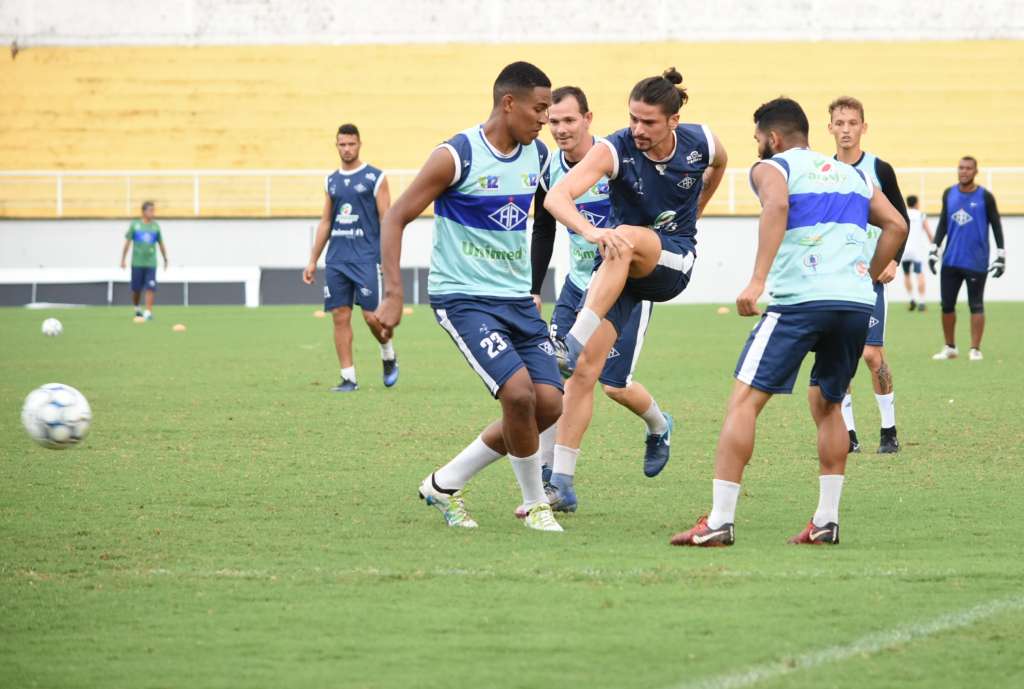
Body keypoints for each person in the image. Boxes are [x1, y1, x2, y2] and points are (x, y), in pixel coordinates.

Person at [670, 97, 907, 547]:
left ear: (773, 138)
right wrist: (867, 273)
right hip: (855, 303)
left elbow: (776, 206)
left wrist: (756, 280)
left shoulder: (772, 168)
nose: (758, 146)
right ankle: (826, 520)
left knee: (743, 402)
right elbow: (895, 224)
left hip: (801, 301)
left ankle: (720, 521)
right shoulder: (852, 174)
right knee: (828, 405)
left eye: (759, 139)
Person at [374, 62, 563, 532]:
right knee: (518, 396)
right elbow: (395, 217)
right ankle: (536, 505)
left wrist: (535, 285)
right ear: (508, 103)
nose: (545, 120)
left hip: (517, 300)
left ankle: (444, 483)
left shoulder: (537, 157)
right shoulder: (455, 155)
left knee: (549, 405)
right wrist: (394, 293)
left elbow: (546, 220)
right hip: (464, 300)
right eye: (539, 109)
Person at [543, 67, 726, 414]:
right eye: (633, 119)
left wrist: (697, 208)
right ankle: (556, 468)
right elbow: (555, 199)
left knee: (615, 386)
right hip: (596, 271)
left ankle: (656, 422)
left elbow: (720, 162)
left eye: (649, 122)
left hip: (656, 264)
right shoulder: (613, 148)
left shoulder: (702, 141)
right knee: (576, 379)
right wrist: (591, 231)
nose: (637, 129)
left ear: (674, 120)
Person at [528, 85, 670, 514]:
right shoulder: (549, 167)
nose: (560, 129)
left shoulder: (616, 159)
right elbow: (544, 229)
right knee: (559, 380)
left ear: (589, 119)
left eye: (569, 120)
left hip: (623, 288)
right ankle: (555, 480)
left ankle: (659, 426)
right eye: (553, 122)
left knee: (613, 385)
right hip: (576, 286)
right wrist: (535, 289)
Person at [827, 97, 909, 454]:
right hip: (834, 278)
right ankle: (849, 435)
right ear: (830, 127)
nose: (846, 129)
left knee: (872, 356)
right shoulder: (821, 171)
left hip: (871, 277)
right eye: (839, 123)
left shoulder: (880, 169)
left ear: (863, 127)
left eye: (852, 123)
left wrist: (894, 260)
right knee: (840, 356)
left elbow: (900, 220)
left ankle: (888, 429)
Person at [303, 124, 397, 392]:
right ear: (337, 146)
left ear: (359, 144)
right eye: (342, 144)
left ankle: (388, 352)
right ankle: (348, 378)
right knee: (340, 316)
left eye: (351, 144)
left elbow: (386, 220)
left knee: (371, 317)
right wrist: (312, 260)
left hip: (367, 258)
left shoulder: (375, 178)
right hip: (337, 260)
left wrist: (388, 259)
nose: (347, 149)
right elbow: (325, 222)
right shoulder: (330, 181)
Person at [929, 156, 1006, 361]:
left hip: (976, 261)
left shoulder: (985, 197)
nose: (964, 171)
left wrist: (1001, 255)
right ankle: (950, 347)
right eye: (961, 168)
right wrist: (934, 248)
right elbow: (944, 222)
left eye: (968, 168)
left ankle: (975, 349)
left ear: (976, 171)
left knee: (976, 304)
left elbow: (996, 225)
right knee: (946, 305)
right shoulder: (949, 193)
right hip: (950, 260)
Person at [120, 200, 167, 320]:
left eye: (153, 210)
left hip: (151, 263)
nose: (153, 213)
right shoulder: (135, 225)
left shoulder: (155, 226)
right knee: (136, 289)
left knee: (151, 287)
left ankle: (148, 312)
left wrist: (165, 258)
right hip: (137, 263)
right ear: (143, 211)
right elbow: (127, 243)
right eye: (150, 210)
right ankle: (137, 308)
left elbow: (161, 244)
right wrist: (123, 259)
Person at [901, 195, 934, 311]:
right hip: (916, 251)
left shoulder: (903, 213)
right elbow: (929, 232)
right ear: (916, 203)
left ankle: (911, 299)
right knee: (919, 274)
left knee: (906, 274)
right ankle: (922, 302)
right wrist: (934, 246)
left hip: (904, 250)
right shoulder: (920, 215)